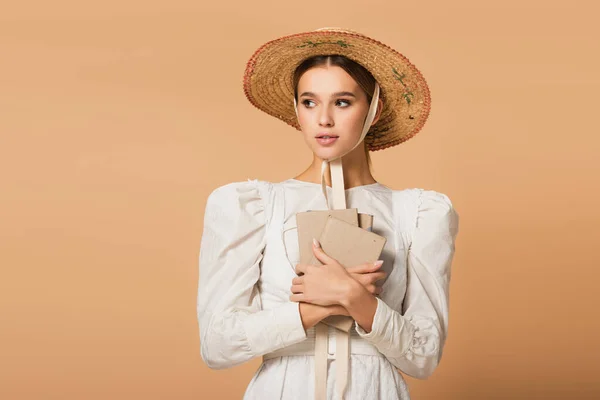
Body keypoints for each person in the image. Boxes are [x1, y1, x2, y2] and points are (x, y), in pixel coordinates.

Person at [197, 27, 460, 400]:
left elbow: (424, 356)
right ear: (296, 109)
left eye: (341, 102)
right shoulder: (253, 205)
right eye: (309, 102)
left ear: (374, 108)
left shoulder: (417, 213)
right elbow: (217, 345)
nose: (323, 119)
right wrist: (313, 310)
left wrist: (358, 300)